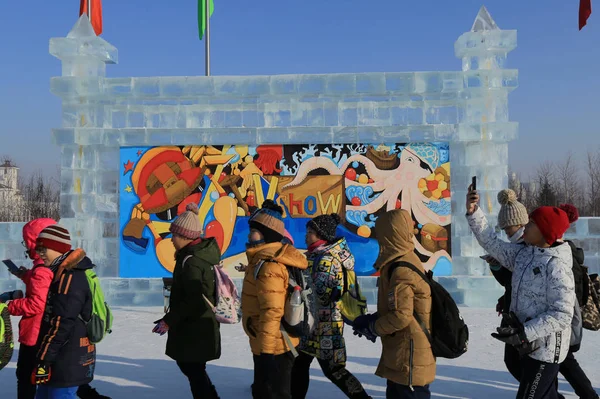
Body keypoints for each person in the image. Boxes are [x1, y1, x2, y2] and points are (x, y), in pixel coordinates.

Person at [466, 186, 575, 399]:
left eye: (532, 223)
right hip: (527, 345)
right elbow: (492, 243)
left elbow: (562, 314)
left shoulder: (556, 266)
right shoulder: (525, 254)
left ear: (545, 231)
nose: (526, 226)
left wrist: (524, 333)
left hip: (545, 349)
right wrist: (474, 212)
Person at [353, 209, 436, 399]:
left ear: (390, 234)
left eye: (381, 233)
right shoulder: (404, 259)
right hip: (405, 353)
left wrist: (373, 327)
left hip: (409, 357)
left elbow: (401, 316)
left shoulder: (401, 270)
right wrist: (372, 320)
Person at [291, 214, 371, 399]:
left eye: (310, 232)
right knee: (300, 364)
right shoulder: (317, 255)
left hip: (325, 326)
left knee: (334, 370)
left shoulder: (326, 259)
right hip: (315, 324)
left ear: (322, 235)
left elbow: (322, 293)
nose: (306, 236)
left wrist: (296, 287)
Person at [152, 203, 222, 399]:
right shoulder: (198, 256)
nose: (171, 239)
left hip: (195, 327)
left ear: (185, 236)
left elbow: (193, 300)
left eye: (174, 235)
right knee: (194, 369)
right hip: (200, 325)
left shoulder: (191, 262)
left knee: (192, 369)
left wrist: (169, 321)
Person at [241, 200, 308, 399]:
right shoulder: (262, 260)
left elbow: (272, 312)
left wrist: (267, 354)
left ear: (266, 234)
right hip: (269, 340)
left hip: (275, 345)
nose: (249, 234)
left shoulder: (269, 266)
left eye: (253, 230)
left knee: (274, 394)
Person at [33, 225, 96, 399]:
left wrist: (45, 358)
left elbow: (62, 321)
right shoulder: (59, 273)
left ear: (57, 248)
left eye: (42, 248)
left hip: (68, 355)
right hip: (60, 353)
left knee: (60, 396)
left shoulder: (70, 276)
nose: (39, 253)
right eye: (37, 248)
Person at [0, 219, 55, 399]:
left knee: (25, 376)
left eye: (26, 241)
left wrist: (9, 307)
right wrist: (25, 275)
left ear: (35, 242)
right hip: (43, 331)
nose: (26, 246)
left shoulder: (41, 270)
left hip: (35, 333)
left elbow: (36, 303)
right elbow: (42, 287)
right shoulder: (48, 264)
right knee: (36, 376)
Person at [555, 204, 599, 399]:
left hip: (562, 323)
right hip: (564, 323)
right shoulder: (568, 251)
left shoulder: (563, 255)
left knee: (563, 360)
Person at [484, 190, 528, 381]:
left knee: (520, 362)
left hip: (524, 315)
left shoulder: (529, 247)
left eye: (507, 228)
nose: (506, 232)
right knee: (514, 361)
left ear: (517, 223)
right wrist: (495, 265)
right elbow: (509, 283)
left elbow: (518, 282)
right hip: (512, 310)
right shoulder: (516, 246)